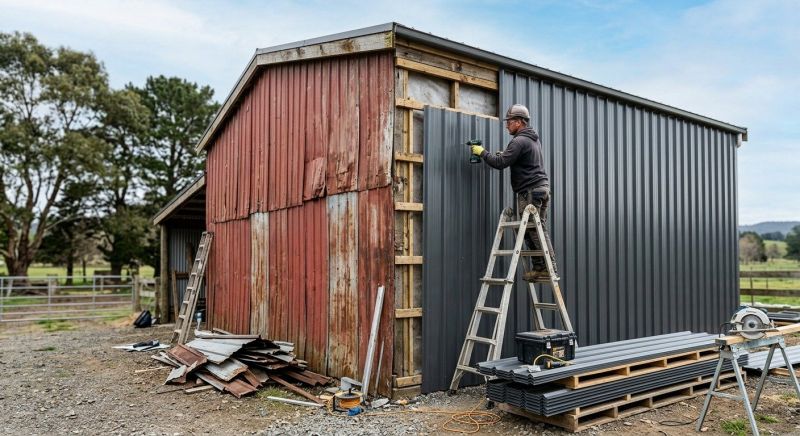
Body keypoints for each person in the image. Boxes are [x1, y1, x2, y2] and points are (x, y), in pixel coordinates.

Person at [470, 104, 558, 281]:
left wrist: (482, 152)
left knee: (534, 230)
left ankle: (549, 268)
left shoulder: (519, 141)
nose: (506, 125)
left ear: (519, 122)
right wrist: (506, 154)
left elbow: (500, 163)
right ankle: (541, 268)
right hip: (541, 189)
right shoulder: (532, 139)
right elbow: (518, 158)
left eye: (509, 121)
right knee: (533, 230)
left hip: (530, 191)